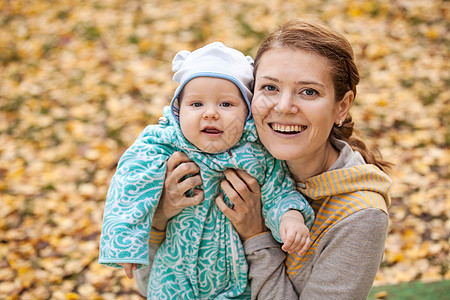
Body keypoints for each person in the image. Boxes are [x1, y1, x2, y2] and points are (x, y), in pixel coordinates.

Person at [140, 19, 392, 299]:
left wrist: (256, 236)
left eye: (309, 92)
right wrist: (160, 217)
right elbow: (148, 284)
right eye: (270, 88)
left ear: (341, 106)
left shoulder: (360, 215)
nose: (284, 107)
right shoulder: (227, 157)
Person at [99, 42, 314, 299]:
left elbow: (279, 192)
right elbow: (131, 185)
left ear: (247, 111)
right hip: (173, 278)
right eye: (196, 104)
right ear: (178, 110)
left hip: (236, 282)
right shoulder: (164, 142)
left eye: (226, 104)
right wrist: (125, 240)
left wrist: (290, 219)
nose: (210, 113)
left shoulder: (258, 153)